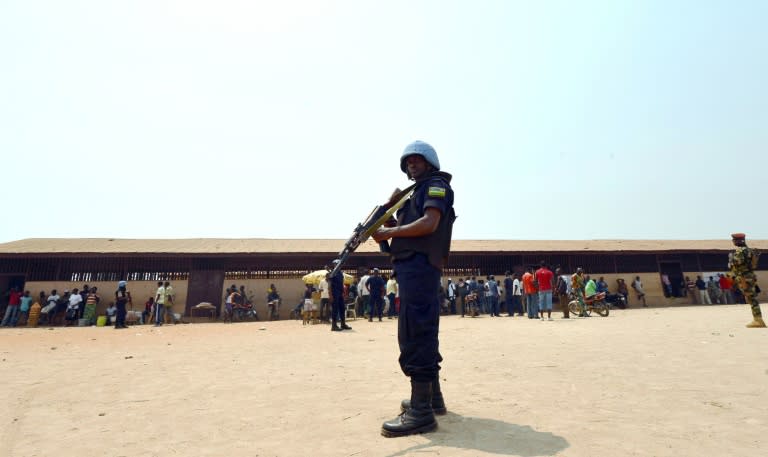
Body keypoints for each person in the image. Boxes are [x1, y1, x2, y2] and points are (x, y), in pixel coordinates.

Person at [373, 140, 455, 437]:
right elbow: (406, 233)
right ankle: (432, 399)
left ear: (430, 163)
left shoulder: (435, 186)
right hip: (412, 267)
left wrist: (389, 230)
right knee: (422, 329)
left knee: (415, 331)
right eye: (408, 162)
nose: (412, 165)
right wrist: (386, 223)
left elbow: (430, 223)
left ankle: (421, 412)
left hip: (420, 268)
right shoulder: (414, 194)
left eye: (417, 160)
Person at [728, 233, 765, 328]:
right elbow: (753, 265)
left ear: (736, 241)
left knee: (751, 299)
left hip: (744, 277)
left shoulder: (740, 251)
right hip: (751, 276)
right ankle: (757, 319)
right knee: (751, 298)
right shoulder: (750, 251)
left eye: (733, 240)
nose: (733, 242)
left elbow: (736, 264)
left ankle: (758, 320)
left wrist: (731, 261)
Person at [329, 260, 352, 331]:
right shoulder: (333, 273)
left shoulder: (340, 273)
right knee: (335, 310)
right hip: (334, 293)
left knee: (342, 309)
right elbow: (329, 285)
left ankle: (343, 324)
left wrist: (343, 293)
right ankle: (334, 326)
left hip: (340, 293)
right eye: (336, 264)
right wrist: (330, 295)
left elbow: (341, 284)